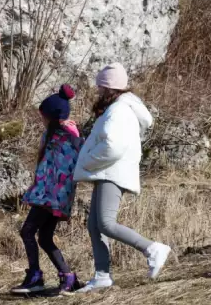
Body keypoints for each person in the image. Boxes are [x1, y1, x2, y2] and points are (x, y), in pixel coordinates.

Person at [73, 62, 171, 293]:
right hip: (108, 171)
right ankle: (102, 276)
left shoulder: (118, 110)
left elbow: (113, 147)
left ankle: (153, 249)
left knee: (106, 223)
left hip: (112, 172)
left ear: (109, 88)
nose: (97, 92)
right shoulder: (119, 107)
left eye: (100, 87)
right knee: (95, 225)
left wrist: (87, 161)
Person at [11, 84, 84, 295]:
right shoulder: (58, 135)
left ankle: (35, 276)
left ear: (52, 116)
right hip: (55, 196)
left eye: (44, 116)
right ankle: (68, 277)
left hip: (50, 195)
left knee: (27, 231)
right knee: (43, 237)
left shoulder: (64, 136)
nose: (42, 120)